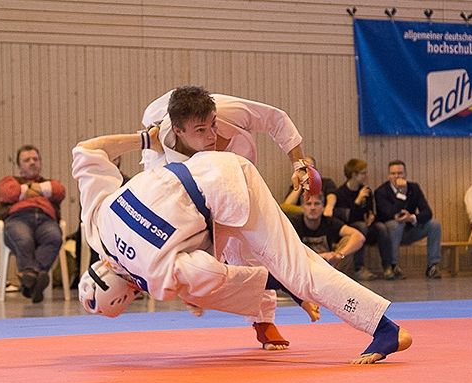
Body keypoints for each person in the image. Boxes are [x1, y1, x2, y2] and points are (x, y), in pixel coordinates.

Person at [72, 126, 412, 364]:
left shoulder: (156, 276)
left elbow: (218, 274)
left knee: (299, 271)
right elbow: (87, 150)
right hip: (208, 167)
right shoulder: (97, 225)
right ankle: (274, 309)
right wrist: (146, 138)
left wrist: (190, 293)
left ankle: (386, 330)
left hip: (230, 192)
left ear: (127, 296)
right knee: (263, 262)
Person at [141, 87, 314, 351]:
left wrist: (298, 163)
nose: (211, 135)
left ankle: (264, 321)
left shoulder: (228, 110)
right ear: (178, 132)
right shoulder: (159, 161)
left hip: (240, 175)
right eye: (201, 130)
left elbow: (276, 119)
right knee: (198, 251)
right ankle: (195, 291)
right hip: (195, 191)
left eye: (213, 125)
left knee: (251, 248)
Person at [0, 145, 66, 302]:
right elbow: (8, 192)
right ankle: (37, 277)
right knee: (24, 239)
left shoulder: (50, 181)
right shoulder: (9, 180)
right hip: (18, 218)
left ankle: (30, 278)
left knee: (54, 238)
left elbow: (59, 191)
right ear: (19, 167)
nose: (32, 162)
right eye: (27, 160)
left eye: (35, 159)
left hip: (46, 220)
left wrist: (26, 190)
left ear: (40, 162)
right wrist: (42, 190)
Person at [375, 160, 442, 280]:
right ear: (388, 175)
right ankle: (393, 265)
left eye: (400, 173)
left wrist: (411, 218)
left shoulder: (414, 188)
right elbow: (389, 213)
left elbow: (427, 212)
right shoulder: (381, 191)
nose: (397, 176)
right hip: (391, 234)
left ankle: (432, 266)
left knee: (434, 224)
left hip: (410, 230)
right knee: (396, 224)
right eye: (393, 173)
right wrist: (401, 193)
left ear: (405, 174)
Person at [332, 159, 390, 281]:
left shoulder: (366, 191)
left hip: (365, 226)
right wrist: (357, 201)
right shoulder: (340, 193)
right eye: (363, 173)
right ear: (354, 174)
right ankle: (359, 268)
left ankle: (387, 266)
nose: (366, 176)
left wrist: (371, 218)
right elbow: (346, 218)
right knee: (361, 227)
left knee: (381, 228)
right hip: (349, 230)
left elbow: (370, 210)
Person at [290, 193, 365, 274]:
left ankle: (337, 280)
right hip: (304, 268)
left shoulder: (329, 222)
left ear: (323, 207)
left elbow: (359, 237)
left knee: (348, 240)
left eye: (317, 204)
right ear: (302, 208)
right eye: (308, 204)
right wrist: (321, 256)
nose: (312, 208)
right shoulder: (294, 223)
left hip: (329, 267)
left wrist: (339, 254)